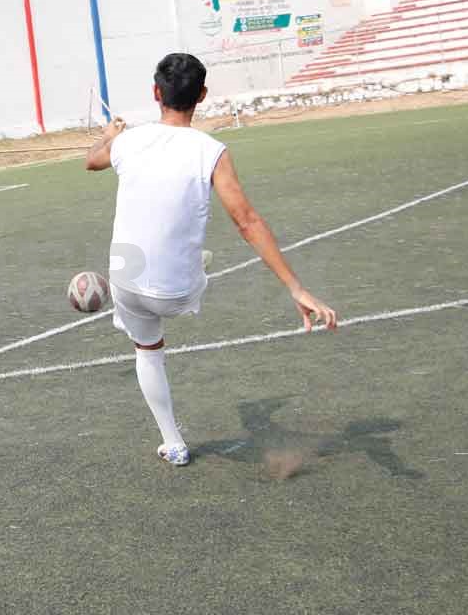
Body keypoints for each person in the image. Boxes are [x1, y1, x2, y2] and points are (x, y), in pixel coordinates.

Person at [84, 53, 338, 467]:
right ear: (202, 95)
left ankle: (175, 444)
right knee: (192, 265)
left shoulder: (128, 141)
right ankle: (198, 265)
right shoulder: (211, 150)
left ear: (155, 93)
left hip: (126, 283)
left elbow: (91, 160)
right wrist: (296, 287)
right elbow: (246, 220)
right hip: (177, 291)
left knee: (147, 349)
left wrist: (109, 133)